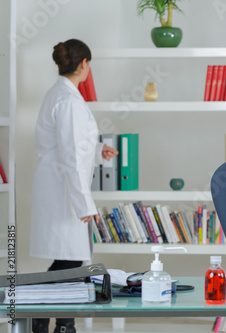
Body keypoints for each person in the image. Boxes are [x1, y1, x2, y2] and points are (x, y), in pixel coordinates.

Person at [30, 39, 118, 333]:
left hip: (61, 184)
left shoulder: (60, 94)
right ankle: (54, 323)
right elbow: (68, 154)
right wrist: (84, 204)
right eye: (89, 64)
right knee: (69, 259)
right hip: (64, 189)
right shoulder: (67, 100)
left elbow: (69, 146)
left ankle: (56, 324)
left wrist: (97, 151)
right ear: (84, 65)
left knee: (69, 258)